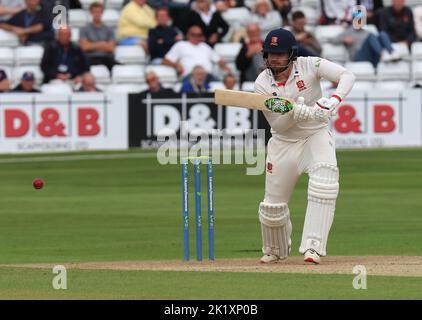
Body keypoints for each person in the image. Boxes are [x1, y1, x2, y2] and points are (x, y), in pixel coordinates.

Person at [254, 28, 355, 265]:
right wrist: (294, 113)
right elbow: (278, 123)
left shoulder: (310, 65)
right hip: (283, 142)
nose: (274, 58)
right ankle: (276, 249)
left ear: (291, 54)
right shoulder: (261, 84)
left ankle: (313, 248)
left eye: (280, 54)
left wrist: (333, 100)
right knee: (273, 207)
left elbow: (347, 75)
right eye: (270, 54)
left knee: (325, 182)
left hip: (315, 135)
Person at [330, 11, 400, 67]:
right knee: (371, 36)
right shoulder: (348, 31)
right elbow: (332, 40)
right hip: (358, 57)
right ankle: (383, 55)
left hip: (371, 56)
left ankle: (392, 52)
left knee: (382, 34)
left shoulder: (366, 31)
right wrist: (344, 40)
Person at [162, 25, 230, 78]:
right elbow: (165, 61)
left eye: (199, 35)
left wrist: (224, 67)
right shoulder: (180, 45)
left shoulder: (205, 46)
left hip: (207, 77)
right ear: (188, 35)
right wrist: (176, 65)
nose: (196, 37)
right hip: (189, 77)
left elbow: (219, 60)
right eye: (193, 35)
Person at [79, 2, 116, 71]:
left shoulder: (109, 29)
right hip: (90, 58)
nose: (97, 14)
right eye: (95, 12)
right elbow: (84, 47)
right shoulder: (84, 29)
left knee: (118, 67)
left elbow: (111, 48)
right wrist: (102, 44)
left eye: (99, 12)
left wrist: (92, 45)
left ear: (102, 13)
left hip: (107, 58)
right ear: (91, 13)